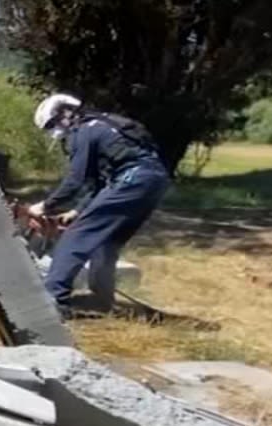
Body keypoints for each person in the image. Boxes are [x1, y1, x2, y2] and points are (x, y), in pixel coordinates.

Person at [28, 93, 170, 315]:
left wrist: (46, 206)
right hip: (153, 180)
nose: (54, 131)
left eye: (52, 124)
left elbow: (76, 180)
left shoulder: (83, 131)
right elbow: (100, 182)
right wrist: (77, 210)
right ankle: (102, 299)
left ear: (65, 113)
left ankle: (53, 301)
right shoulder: (104, 124)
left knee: (74, 237)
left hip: (131, 179)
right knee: (106, 241)